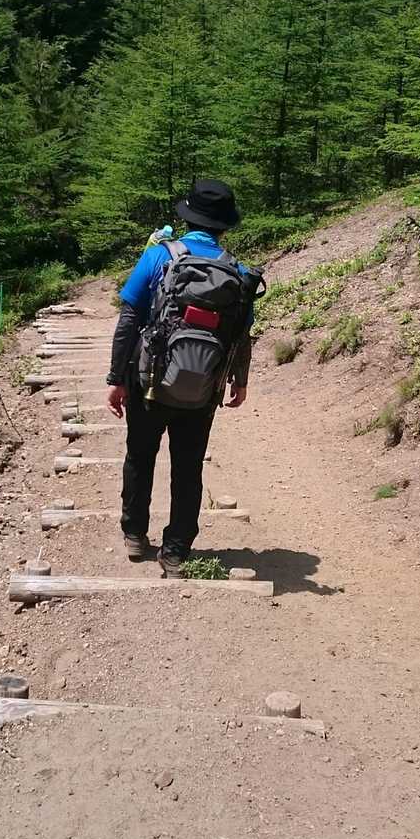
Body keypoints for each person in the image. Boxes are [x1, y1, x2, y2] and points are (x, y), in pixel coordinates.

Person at [106, 180, 255, 575]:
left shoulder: (158, 256)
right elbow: (241, 334)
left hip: (149, 381)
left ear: (187, 217)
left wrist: (116, 378)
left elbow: (128, 320)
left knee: (140, 454)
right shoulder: (236, 271)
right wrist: (239, 381)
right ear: (224, 225)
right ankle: (175, 549)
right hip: (203, 387)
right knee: (188, 466)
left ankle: (134, 533)